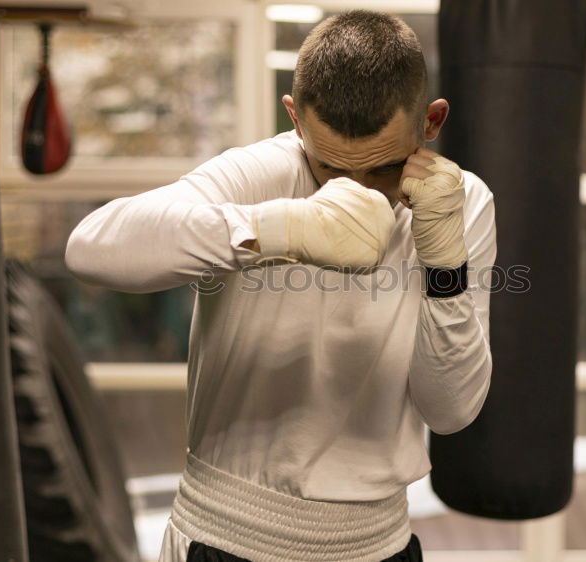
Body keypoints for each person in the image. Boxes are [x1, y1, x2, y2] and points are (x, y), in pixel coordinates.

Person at [65, 9, 495, 562]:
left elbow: (452, 409)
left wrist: (444, 267)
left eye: (382, 171)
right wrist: (279, 227)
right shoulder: (258, 175)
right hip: (227, 537)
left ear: (431, 122)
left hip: (381, 545)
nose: (357, 197)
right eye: (330, 172)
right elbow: (92, 247)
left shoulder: (461, 203)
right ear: (294, 118)